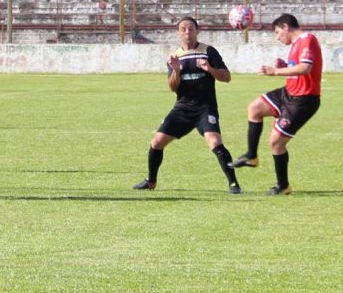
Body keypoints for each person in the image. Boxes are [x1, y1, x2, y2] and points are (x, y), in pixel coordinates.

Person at [132, 17, 241, 194]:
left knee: (214, 142)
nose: (187, 32)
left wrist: (210, 70)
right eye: (183, 29)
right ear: (178, 33)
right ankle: (150, 181)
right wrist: (176, 70)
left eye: (191, 29)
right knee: (157, 142)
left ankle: (234, 184)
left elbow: (226, 77)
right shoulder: (176, 57)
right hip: (183, 108)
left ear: (197, 31)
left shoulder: (208, 51)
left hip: (205, 107)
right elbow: (172, 87)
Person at [230, 14, 322, 195]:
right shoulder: (296, 44)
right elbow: (298, 68)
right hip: (289, 92)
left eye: (278, 32)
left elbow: (306, 68)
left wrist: (276, 71)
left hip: (304, 100)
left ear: (286, 26)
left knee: (276, 143)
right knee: (254, 108)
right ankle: (251, 155)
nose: (278, 37)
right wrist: (286, 65)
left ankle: (283, 186)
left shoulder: (307, 40)